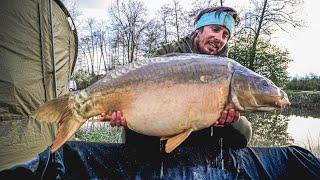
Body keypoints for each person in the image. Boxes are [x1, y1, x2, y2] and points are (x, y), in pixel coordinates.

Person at [102, 6, 252, 151]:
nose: (219, 38)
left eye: (225, 35)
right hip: (160, 118)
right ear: (199, 30)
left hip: (199, 128)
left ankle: (205, 165)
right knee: (134, 128)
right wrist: (122, 113)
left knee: (243, 129)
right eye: (215, 29)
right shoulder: (168, 53)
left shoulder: (227, 70)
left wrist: (229, 119)